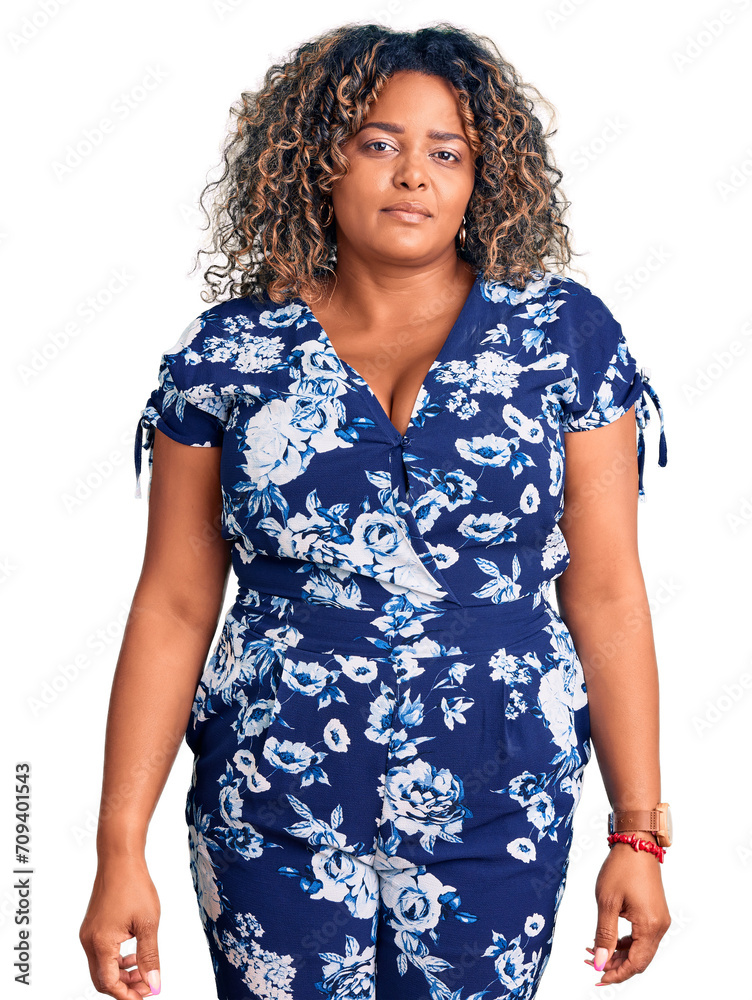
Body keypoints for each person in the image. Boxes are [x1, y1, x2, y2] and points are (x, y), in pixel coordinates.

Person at [79, 22, 672, 1000]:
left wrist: (637, 831)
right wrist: (117, 849)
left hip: (500, 798)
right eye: (378, 143)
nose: (412, 175)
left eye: (447, 152)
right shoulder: (230, 352)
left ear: (484, 178)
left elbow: (606, 591)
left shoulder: (562, 337)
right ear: (318, 159)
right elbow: (175, 604)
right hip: (270, 798)